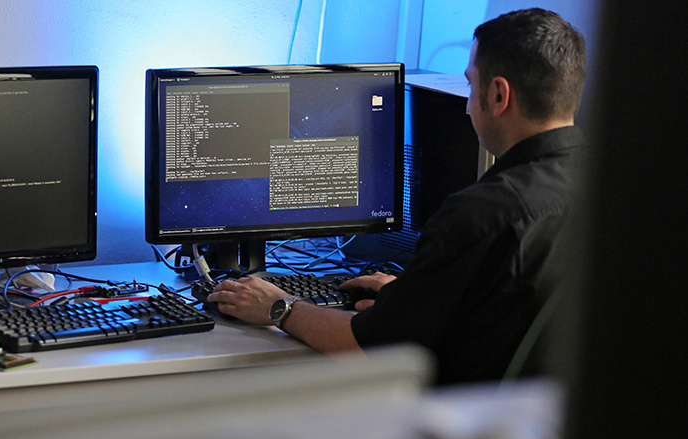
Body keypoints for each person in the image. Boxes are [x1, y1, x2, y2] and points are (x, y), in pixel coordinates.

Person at [207, 8, 588, 385]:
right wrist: (413, 298)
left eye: (471, 86)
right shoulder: (607, 192)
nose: (468, 103)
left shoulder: (481, 213)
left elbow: (367, 347)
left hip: (459, 414)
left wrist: (280, 307)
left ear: (499, 95)